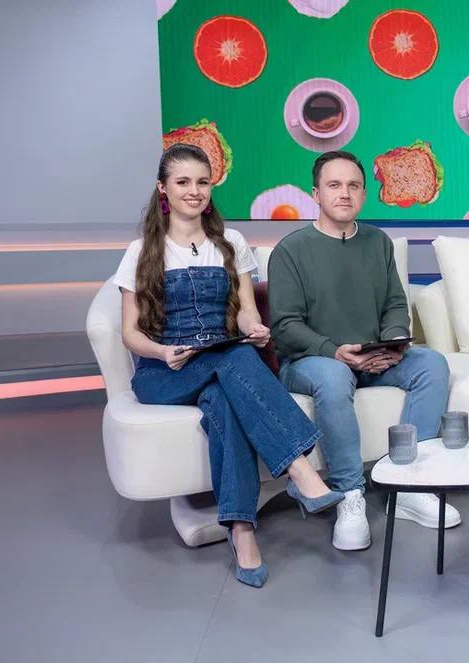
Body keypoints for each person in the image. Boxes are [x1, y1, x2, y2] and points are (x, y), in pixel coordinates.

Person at [116, 143, 343, 588]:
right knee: (237, 358)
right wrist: (162, 352)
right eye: (183, 182)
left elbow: (245, 312)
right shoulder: (141, 250)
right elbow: (130, 333)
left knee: (226, 392)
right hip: (164, 372)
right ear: (163, 188)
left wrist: (254, 328)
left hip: (218, 360)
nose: (194, 191)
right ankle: (299, 468)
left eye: (203, 182)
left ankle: (242, 532)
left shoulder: (231, 242)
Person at [269, 151, 455, 551]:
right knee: (335, 376)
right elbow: (284, 326)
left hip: (372, 357)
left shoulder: (378, 242)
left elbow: (395, 304)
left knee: (432, 363)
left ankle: (408, 484)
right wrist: (335, 352)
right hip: (312, 362)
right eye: (334, 185)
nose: (345, 193)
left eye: (353, 185)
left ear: (364, 194)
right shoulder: (290, 250)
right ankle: (349, 493)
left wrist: (393, 344)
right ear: (315, 194)